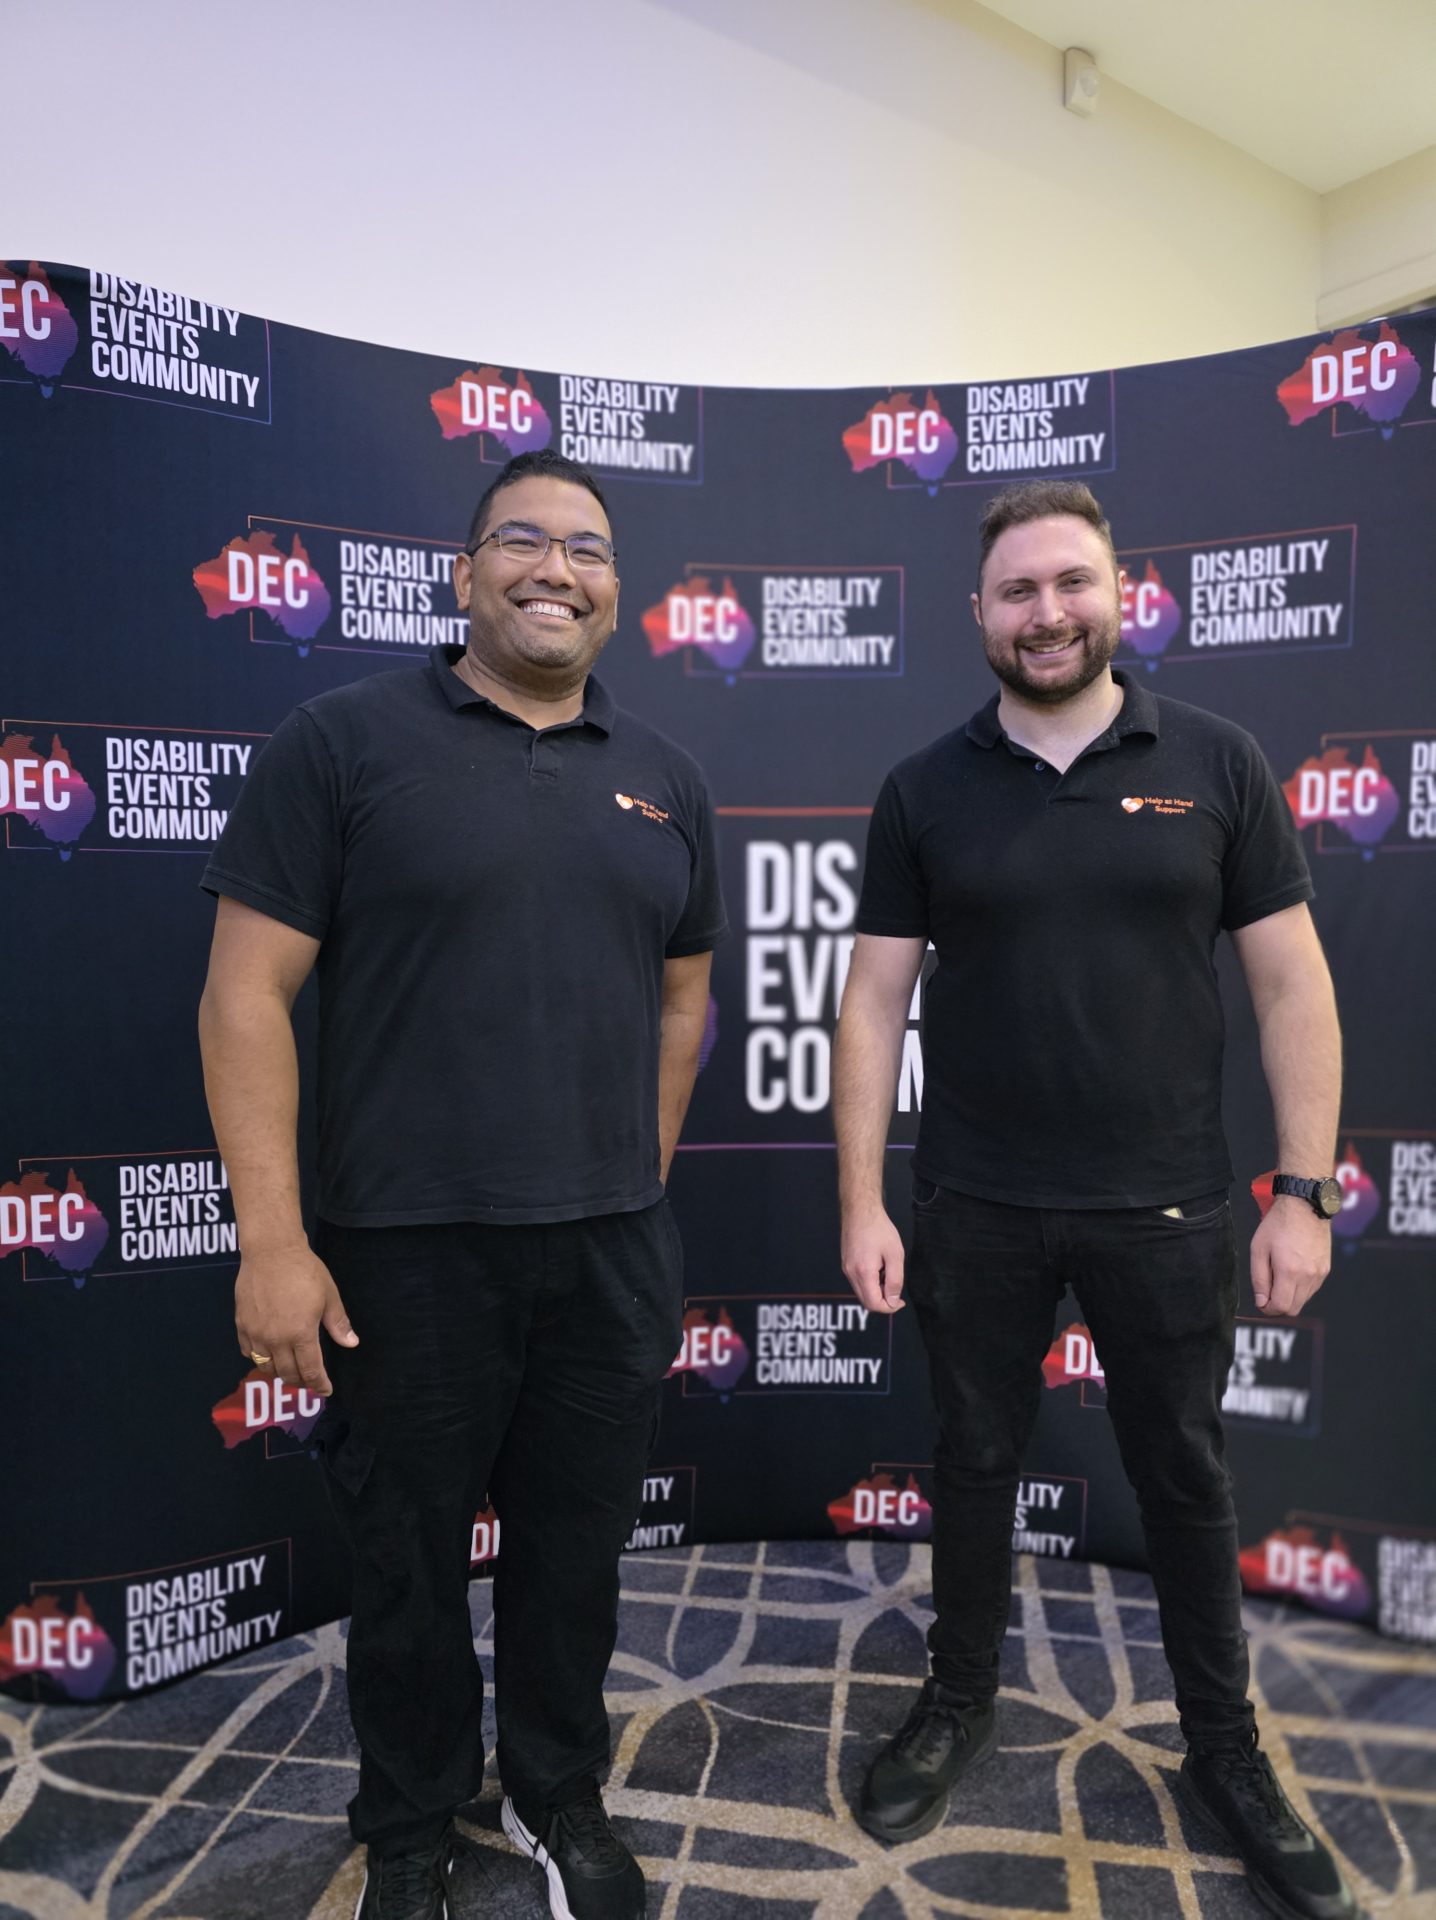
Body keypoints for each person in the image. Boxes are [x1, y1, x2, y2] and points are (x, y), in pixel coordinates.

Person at [198, 450, 725, 1920]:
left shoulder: (667, 778)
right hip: (403, 1255)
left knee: (576, 1558)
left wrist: (636, 1173)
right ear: (465, 571)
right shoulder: (340, 742)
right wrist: (273, 1241)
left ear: (617, 588)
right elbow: (244, 997)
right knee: (409, 1565)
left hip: (609, 1253)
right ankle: (413, 1821)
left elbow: (685, 1000)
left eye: (588, 549)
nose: (557, 569)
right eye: (523, 540)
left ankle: (559, 1793)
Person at [833, 480, 1352, 1920]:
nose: (1047, 612)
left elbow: (1292, 985)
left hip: (1168, 1207)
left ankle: (1226, 1748)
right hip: (975, 1203)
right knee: (974, 1460)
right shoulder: (923, 788)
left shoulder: (1218, 761)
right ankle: (957, 1700)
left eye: (1072, 582)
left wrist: (1305, 1191)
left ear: (1119, 596)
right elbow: (871, 1004)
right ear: (979, 614)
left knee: (1183, 1474)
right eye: (1019, 590)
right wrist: (862, 1198)